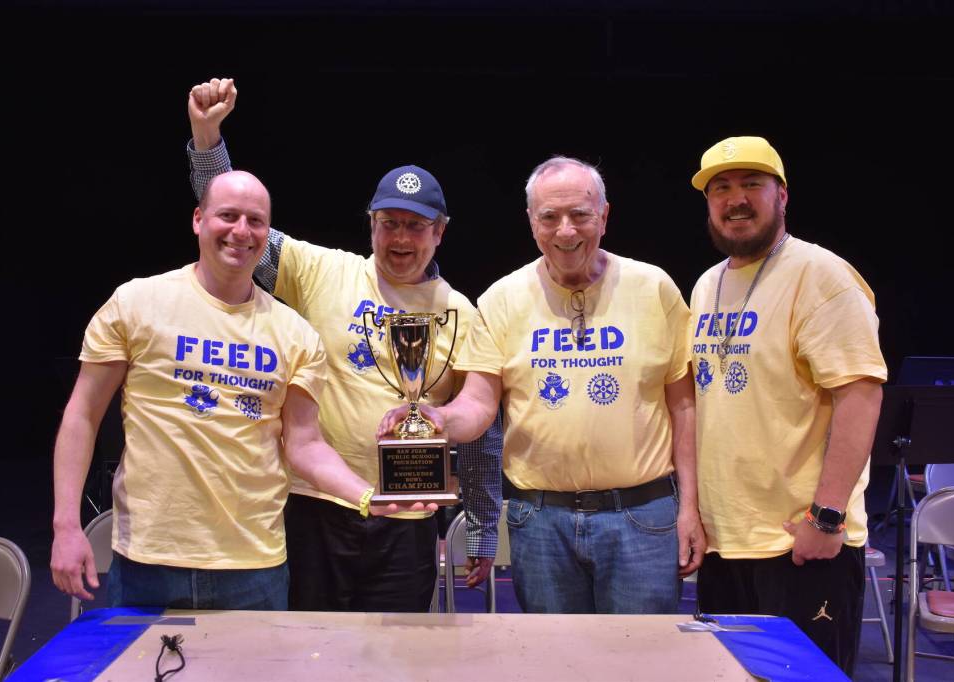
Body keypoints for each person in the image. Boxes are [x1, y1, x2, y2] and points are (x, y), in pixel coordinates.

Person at [185, 77, 502, 612]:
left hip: (408, 516)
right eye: (389, 224)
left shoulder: (460, 310)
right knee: (309, 655)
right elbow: (237, 227)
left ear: (440, 233)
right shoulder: (321, 270)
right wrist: (206, 140)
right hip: (315, 506)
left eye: (416, 227)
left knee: (396, 661)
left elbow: (481, 406)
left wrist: (443, 420)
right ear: (372, 226)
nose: (401, 239)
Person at [50, 171, 424, 609]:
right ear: (198, 219)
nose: (241, 232)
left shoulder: (295, 334)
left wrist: (366, 496)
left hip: (254, 566)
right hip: (148, 558)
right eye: (228, 216)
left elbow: (304, 444)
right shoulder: (136, 303)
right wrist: (66, 526)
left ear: (268, 232)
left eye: (255, 220)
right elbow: (82, 414)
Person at [381, 156, 706, 614]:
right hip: (539, 519)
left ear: (605, 216)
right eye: (550, 217)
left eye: (580, 215)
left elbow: (684, 407)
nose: (566, 231)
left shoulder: (654, 287)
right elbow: (478, 404)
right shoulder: (501, 299)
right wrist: (435, 419)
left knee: (643, 663)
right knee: (554, 663)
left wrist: (690, 508)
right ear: (532, 222)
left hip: (642, 516)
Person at [687, 135, 886, 676]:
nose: (736, 199)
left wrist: (826, 516)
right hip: (728, 545)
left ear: (782, 196)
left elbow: (861, 394)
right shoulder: (708, 285)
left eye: (753, 184)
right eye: (721, 188)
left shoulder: (821, 276)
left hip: (800, 544)